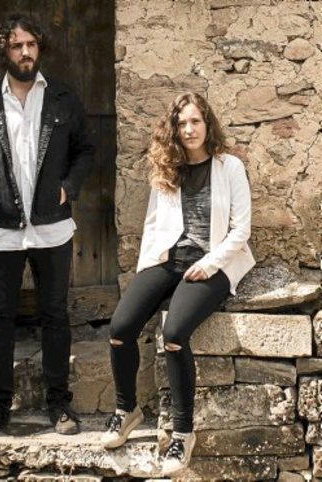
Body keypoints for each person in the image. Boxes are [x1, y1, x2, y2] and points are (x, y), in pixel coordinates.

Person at [101, 92, 255, 475]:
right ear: (174, 129)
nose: (189, 129)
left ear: (207, 124)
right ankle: (126, 409)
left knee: (173, 334)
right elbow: (154, 224)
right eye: (182, 123)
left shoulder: (229, 167)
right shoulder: (168, 167)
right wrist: (146, 274)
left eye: (195, 121)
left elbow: (241, 230)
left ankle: (183, 433)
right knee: (120, 328)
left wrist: (209, 263)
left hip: (215, 263)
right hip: (168, 259)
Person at [0, 13, 94, 436]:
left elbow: (85, 151)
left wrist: (68, 188)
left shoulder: (63, 98)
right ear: (4, 50)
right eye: (16, 45)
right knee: (0, 317)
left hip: (52, 227)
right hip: (1, 229)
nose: (25, 52)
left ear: (39, 48)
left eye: (31, 44)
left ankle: (59, 404)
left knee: (54, 315)